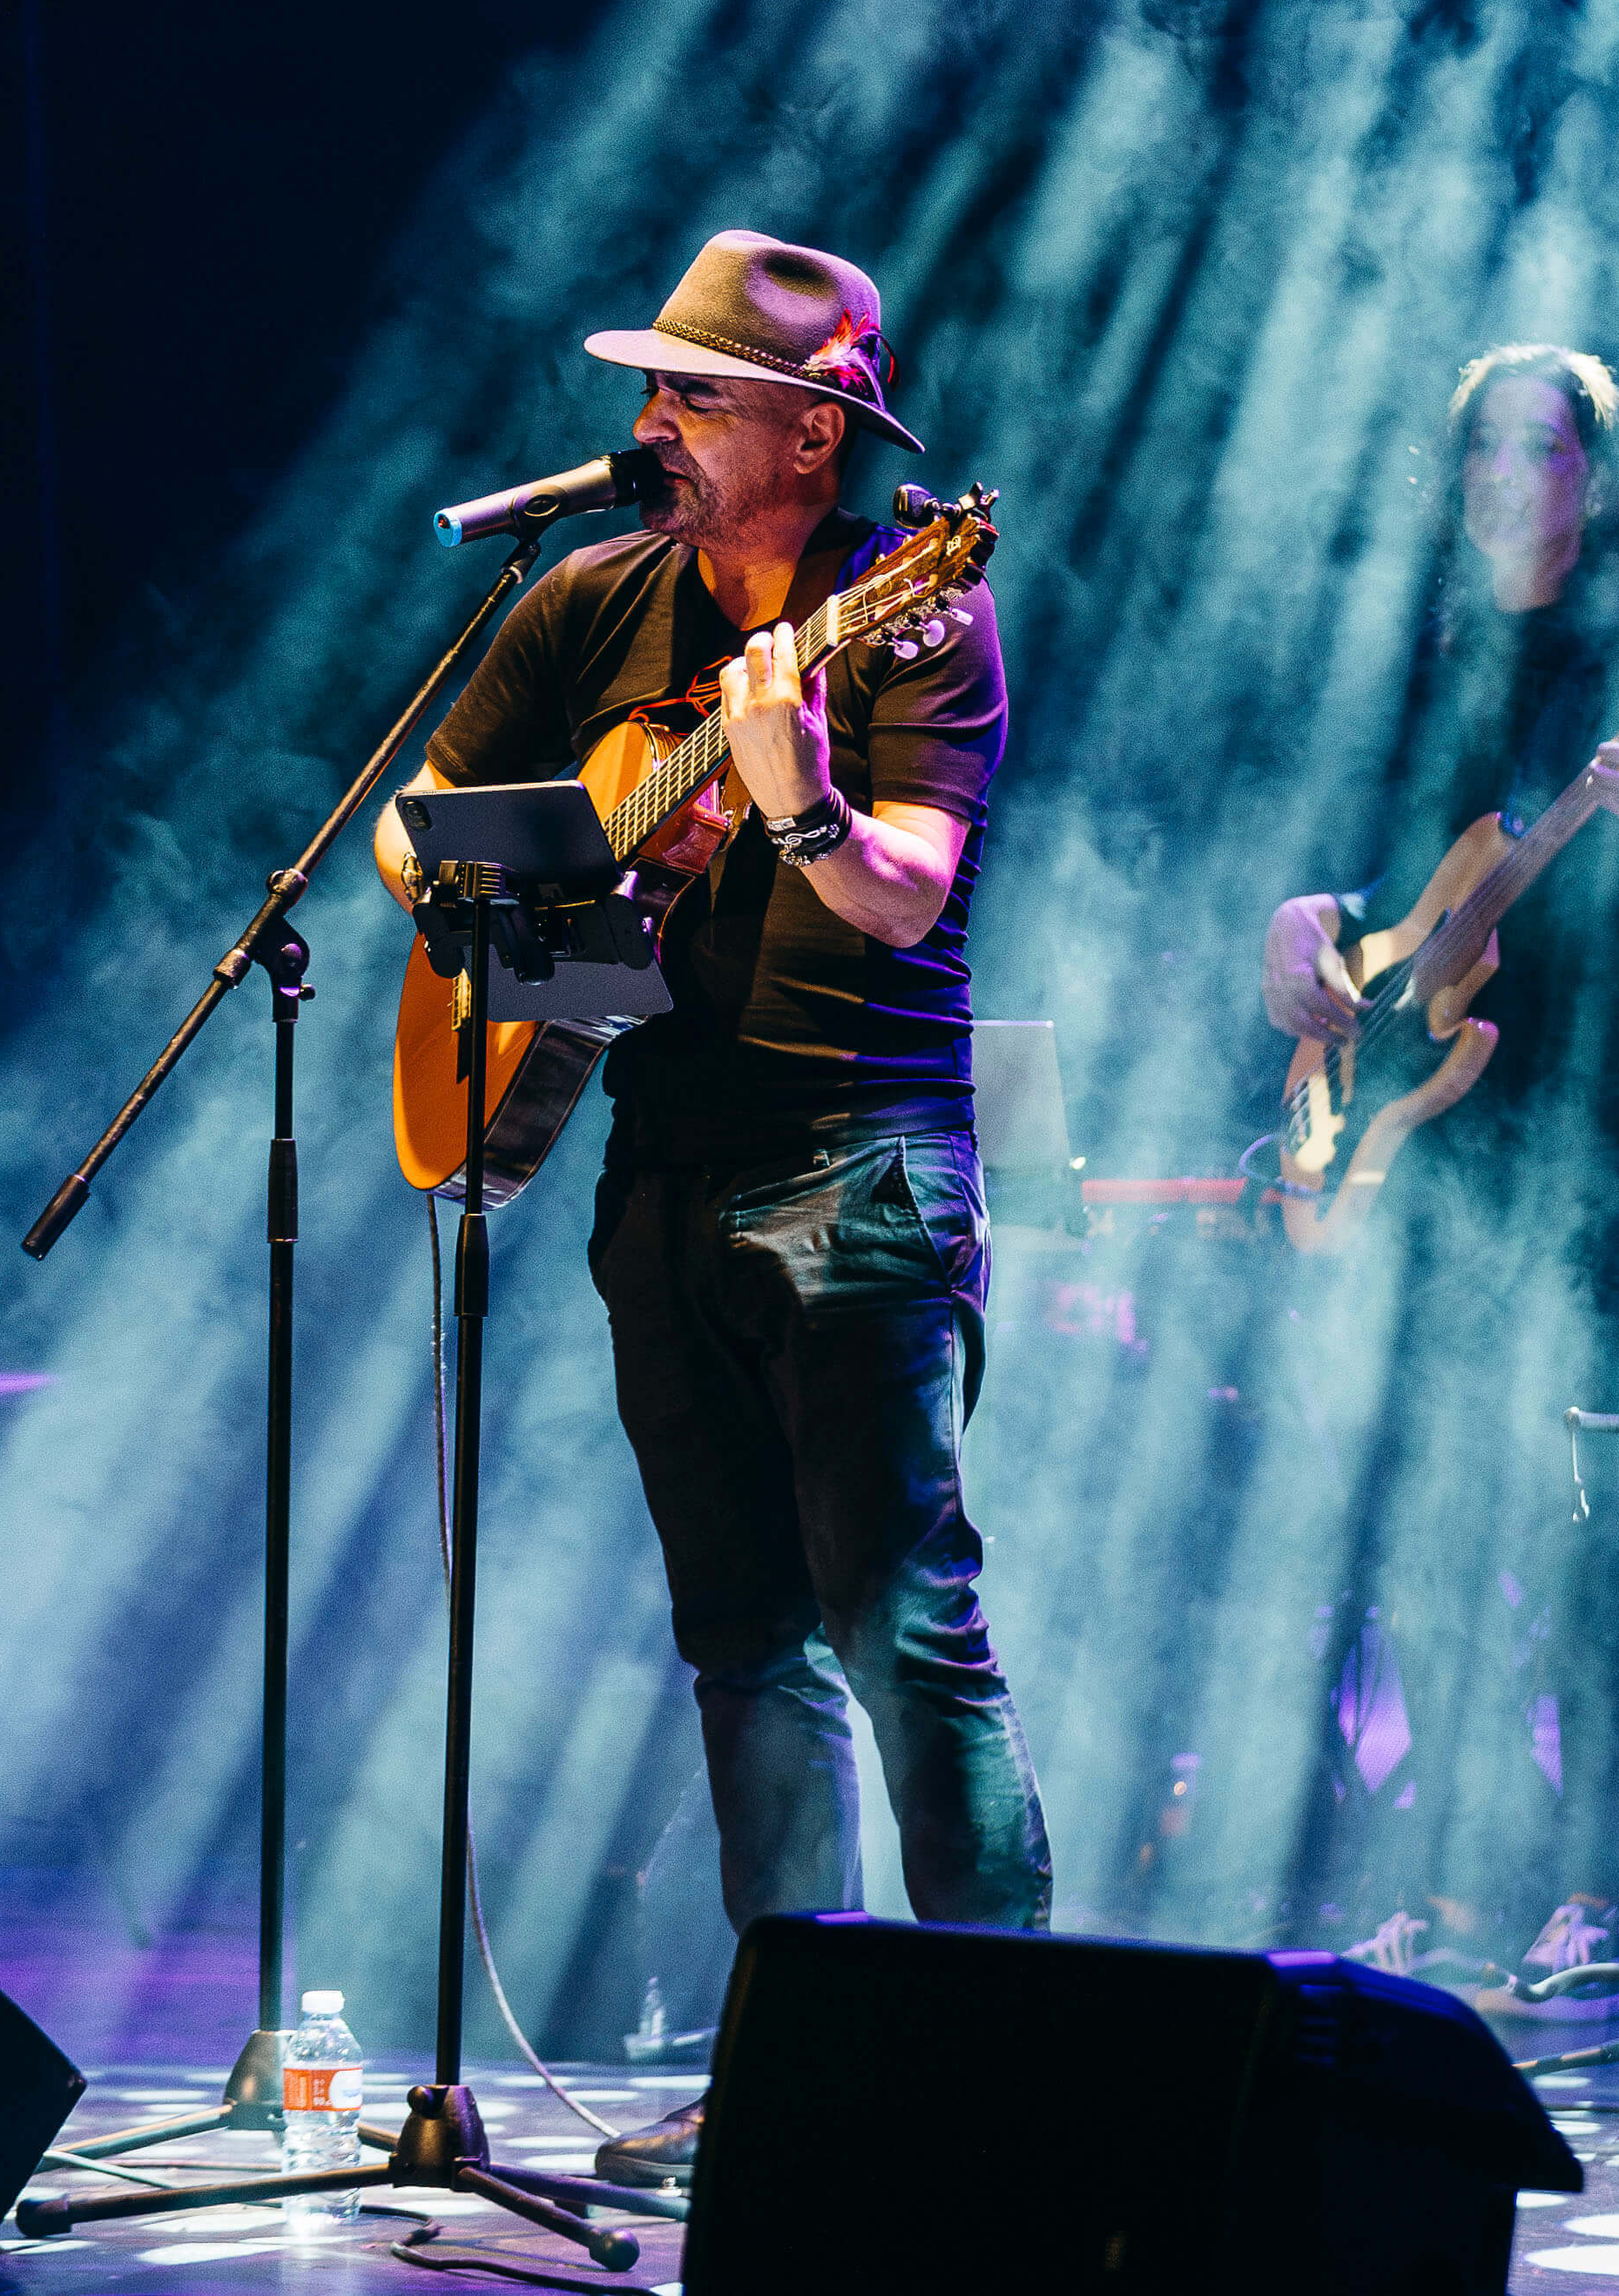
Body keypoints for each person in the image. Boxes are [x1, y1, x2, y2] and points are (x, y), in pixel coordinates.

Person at [373, 231, 1045, 2185]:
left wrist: (796, 799)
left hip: (860, 1161)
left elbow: (910, 888)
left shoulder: (909, 607)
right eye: (648, 388)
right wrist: (572, 899)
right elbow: (427, 831)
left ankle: (998, 2067)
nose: (646, 421)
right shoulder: (590, 594)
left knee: (900, 1625)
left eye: (689, 393)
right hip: (651, 1164)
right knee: (739, 1639)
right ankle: (794, 2066)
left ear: (813, 430)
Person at [1251, 347, 1619, 1987]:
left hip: (1593, 1159)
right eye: (1487, 448)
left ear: (1603, 474)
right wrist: (1309, 921)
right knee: (1421, 1536)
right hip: (1427, 1144)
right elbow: (1377, 891)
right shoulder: (1435, 665)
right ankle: (1454, 1876)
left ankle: (1602, 1889)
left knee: (1583, 1540)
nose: (1514, 474)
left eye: (1547, 448)